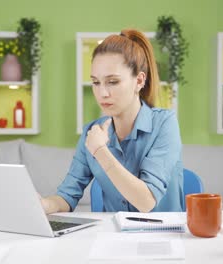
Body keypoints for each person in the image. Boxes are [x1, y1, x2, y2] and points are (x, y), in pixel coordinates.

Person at [41, 29, 183, 213]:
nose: (102, 93)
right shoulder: (91, 132)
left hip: (162, 237)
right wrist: (44, 205)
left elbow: (146, 202)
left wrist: (100, 151)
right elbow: (67, 195)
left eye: (113, 82)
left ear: (139, 81)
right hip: (113, 238)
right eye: (96, 82)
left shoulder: (165, 123)